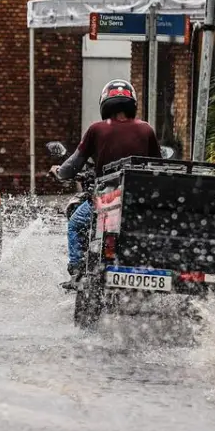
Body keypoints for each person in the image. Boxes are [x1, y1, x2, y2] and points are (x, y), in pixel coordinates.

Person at [51, 79, 163, 286]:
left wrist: (59, 172)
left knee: (75, 224)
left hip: (107, 199)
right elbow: (158, 166)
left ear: (105, 103)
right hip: (138, 202)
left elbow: (72, 165)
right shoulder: (146, 129)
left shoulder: (97, 129)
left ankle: (76, 272)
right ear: (132, 104)